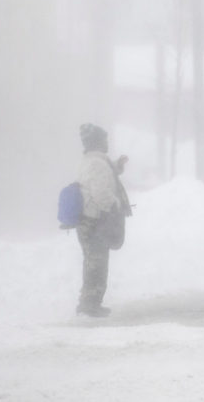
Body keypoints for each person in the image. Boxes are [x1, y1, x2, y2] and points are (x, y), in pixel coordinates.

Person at [75, 123, 130, 317]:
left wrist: (118, 167)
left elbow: (107, 173)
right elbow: (101, 193)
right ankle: (89, 304)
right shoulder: (97, 163)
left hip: (88, 220)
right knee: (96, 263)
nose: (107, 143)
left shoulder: (94, 161)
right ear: (98, 142)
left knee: (94, 261)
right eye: (105, 140)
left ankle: (90, 302)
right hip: (93, 221)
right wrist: (115, 205)